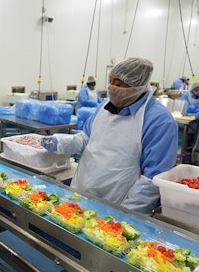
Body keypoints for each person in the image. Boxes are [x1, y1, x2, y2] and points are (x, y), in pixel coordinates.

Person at [41, 57, 178, 215]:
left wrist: (126, 216)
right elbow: (86, 138)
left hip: (116, 205)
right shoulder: (105, 106)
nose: (112, 87)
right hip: (82, 193)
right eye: (110, 81)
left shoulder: (159, 121)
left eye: (118, 84)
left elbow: (152, 180)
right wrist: (59, 142)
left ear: (137, 85)